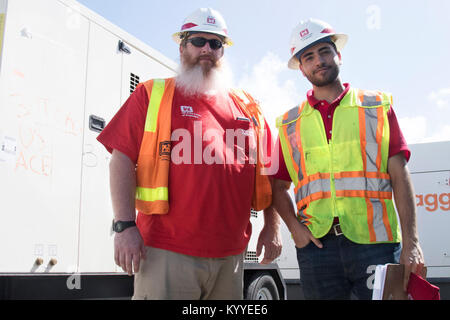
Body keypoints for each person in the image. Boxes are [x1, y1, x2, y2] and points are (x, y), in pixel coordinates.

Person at [97, 7, 282, 300]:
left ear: (223, 51)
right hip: (165, 253)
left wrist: (272, 228)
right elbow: (120, 160)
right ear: (182, 46)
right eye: (199, 41)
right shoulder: (152, 95)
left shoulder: (249, 108)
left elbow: (271, 172)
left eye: (216, 43)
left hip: (230, 258)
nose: (207, 49)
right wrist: (124, 226)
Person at [272, 18, 425, 300]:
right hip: (317, 248)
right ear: (301, 68)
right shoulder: (289, 124)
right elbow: (277, 188)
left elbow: (400, 177)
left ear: (338, 55)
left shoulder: (376, 107)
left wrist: (411, 243)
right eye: (309, 57)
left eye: (324, 52)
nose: (319, 61)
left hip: (376, 244)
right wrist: (297, 231)